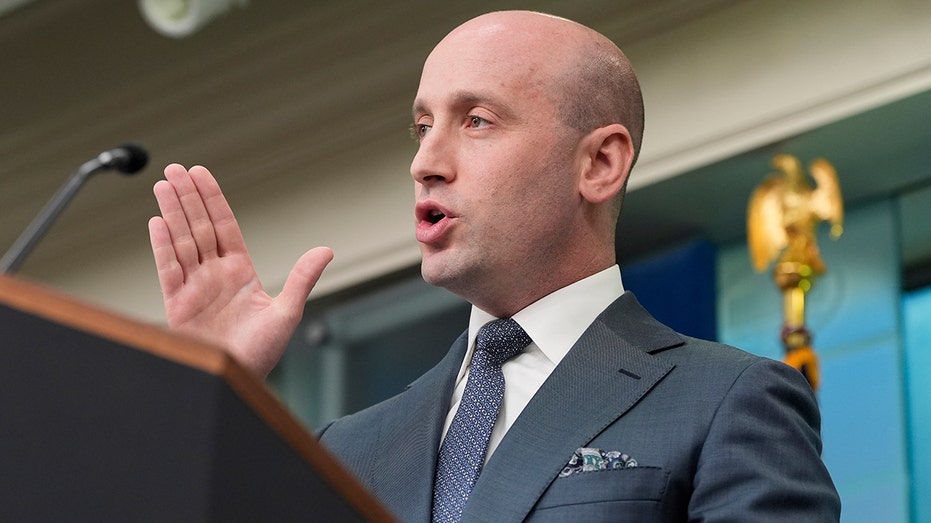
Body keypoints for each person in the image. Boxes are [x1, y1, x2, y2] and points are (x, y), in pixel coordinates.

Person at [148, 10, 841, 522]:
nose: (425, 162)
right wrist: (201, 398)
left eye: (476, 120)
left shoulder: (726, 400)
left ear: (599, 163)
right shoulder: (347, 449)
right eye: (422, 128)